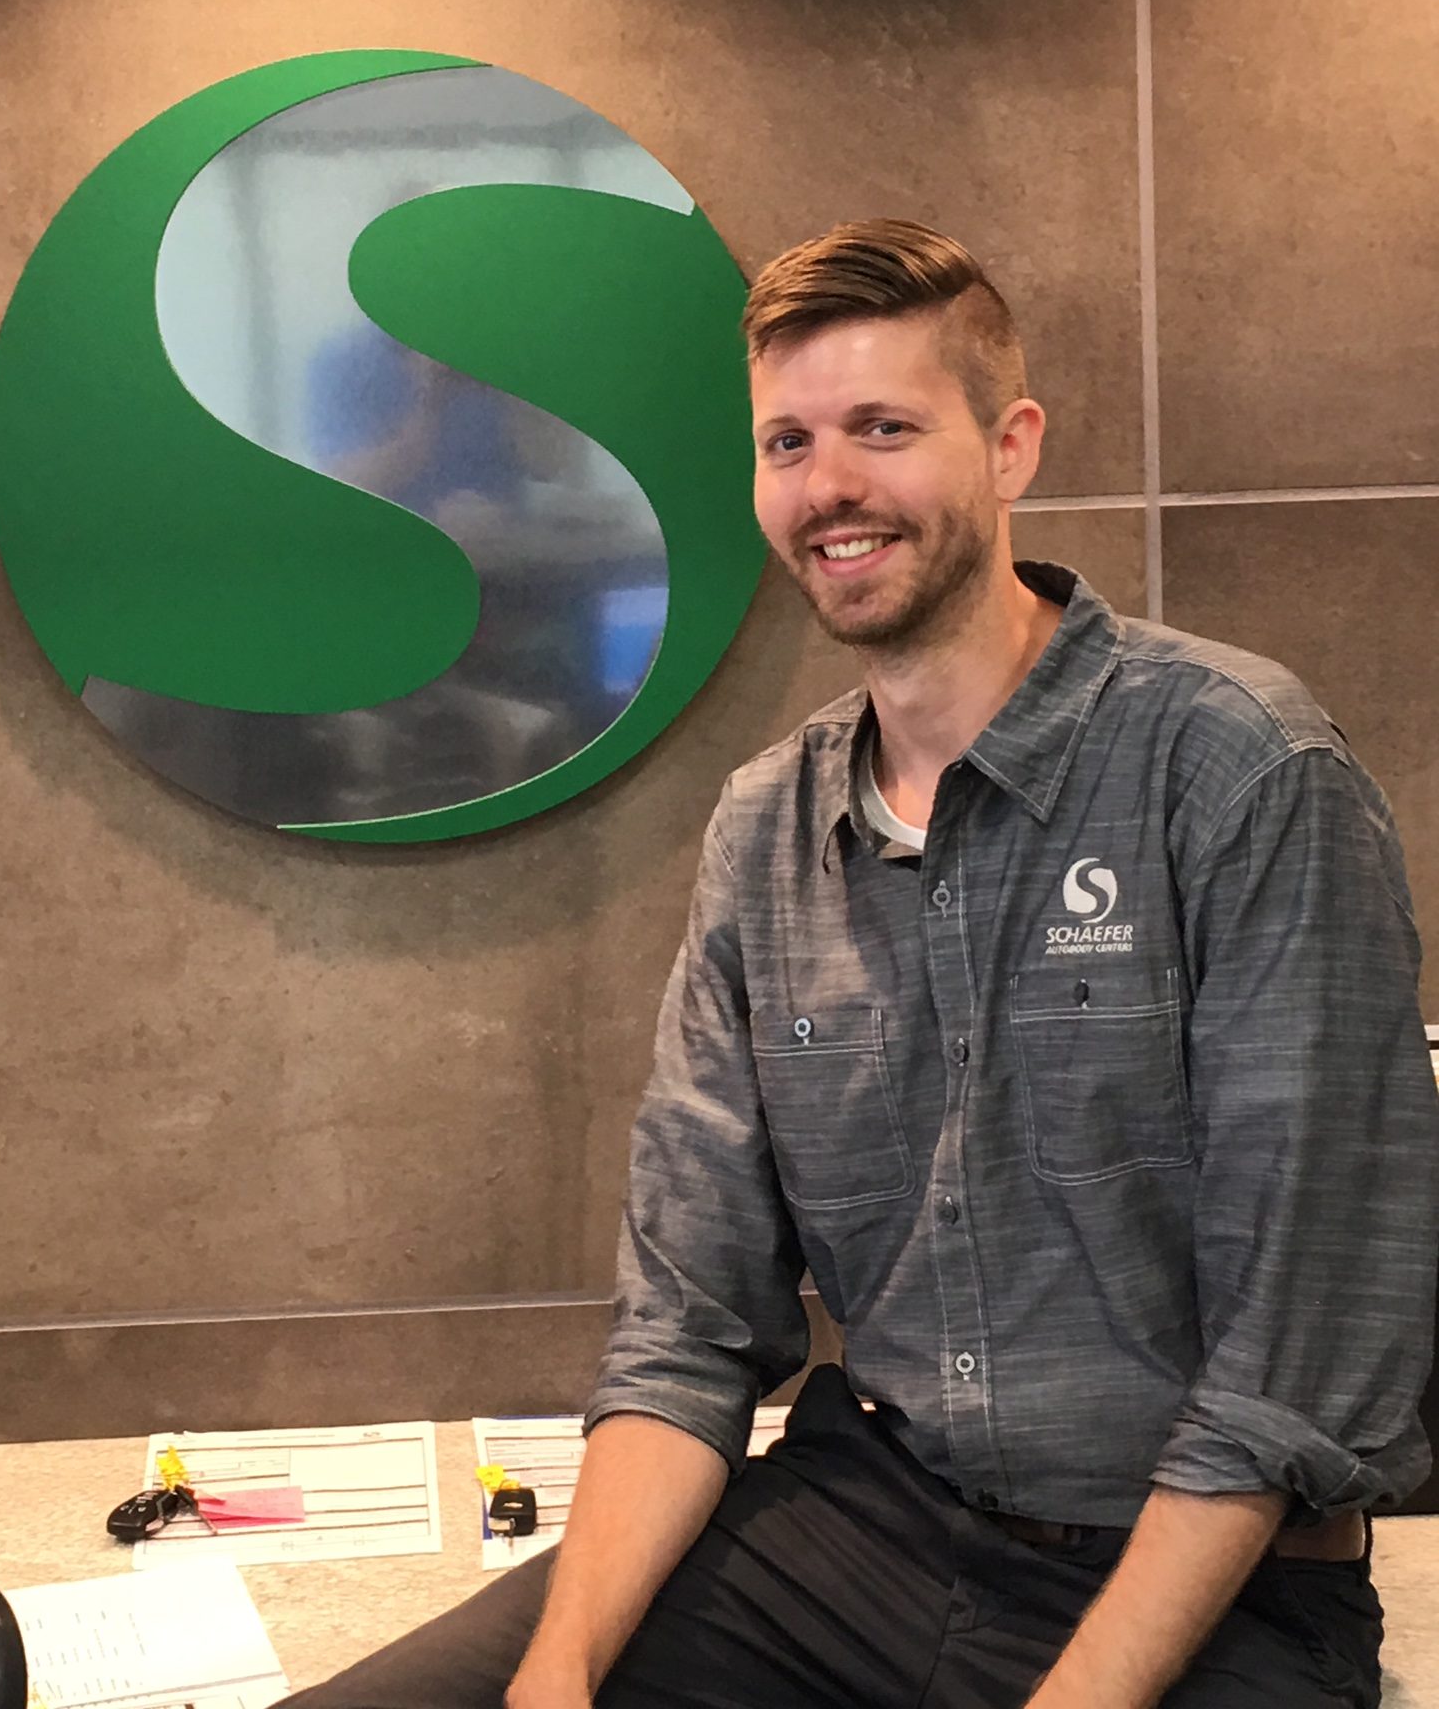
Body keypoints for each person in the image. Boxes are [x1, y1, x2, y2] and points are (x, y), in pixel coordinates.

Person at [286, 221, 1439, 1708]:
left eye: (883, 429)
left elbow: (1298, 1364)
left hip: (1212, 1593)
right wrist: (554, 1682)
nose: (828, 486)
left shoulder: (1237, 769)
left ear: (1010, 447)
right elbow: (689, 1331)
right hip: (863, 1531)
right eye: (789, 441)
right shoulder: (768, 828)